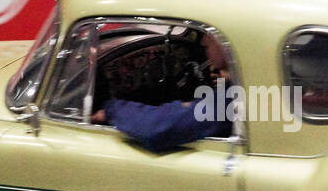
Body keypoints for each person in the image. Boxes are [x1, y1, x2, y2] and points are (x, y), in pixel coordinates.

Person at [90, 38, 234, 152]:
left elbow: (155, 127)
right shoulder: (238, 89)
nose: (203, 42)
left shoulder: (229, 101)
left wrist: (111, 109)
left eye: (210, 36)